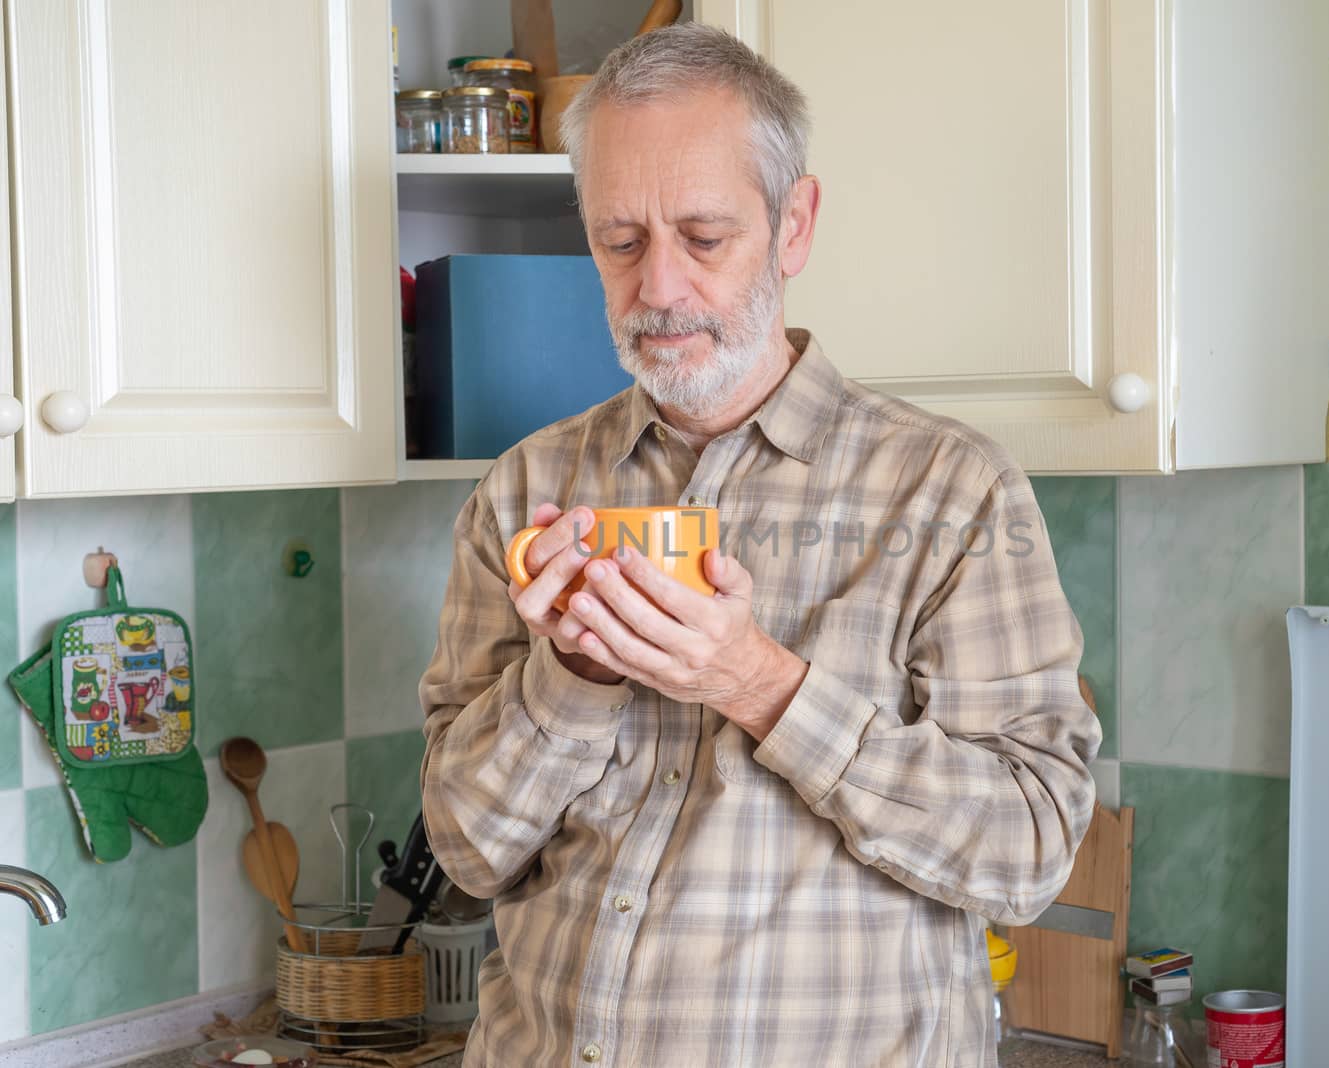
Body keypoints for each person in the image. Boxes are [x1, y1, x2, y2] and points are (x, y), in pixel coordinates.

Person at [419, 23, 1102, 1068]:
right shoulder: (523, 492)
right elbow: (467, 854)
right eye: (619, 240)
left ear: (793, 227)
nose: (656, 288)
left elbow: (1029, 850)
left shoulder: (952, 492)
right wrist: (570, 676)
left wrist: (757, 682)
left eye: (702, 237)